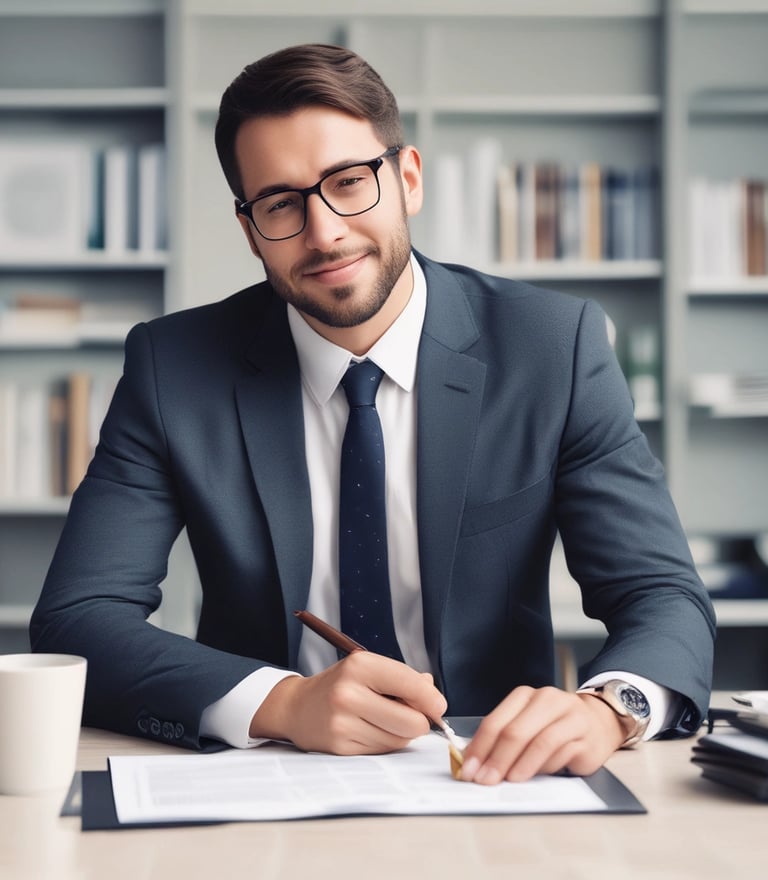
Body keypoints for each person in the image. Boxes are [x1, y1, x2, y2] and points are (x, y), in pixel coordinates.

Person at [31, 43, 715, 786]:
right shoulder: (175, 367)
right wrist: (284, 703)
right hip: (267, 774)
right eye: (281, 204)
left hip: (493, 775)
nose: (324, 232)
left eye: (349, 182)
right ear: (250, 227)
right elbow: (78, 619)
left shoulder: (552, 346)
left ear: (408, 179)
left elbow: (663, 595)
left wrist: (607, 707)